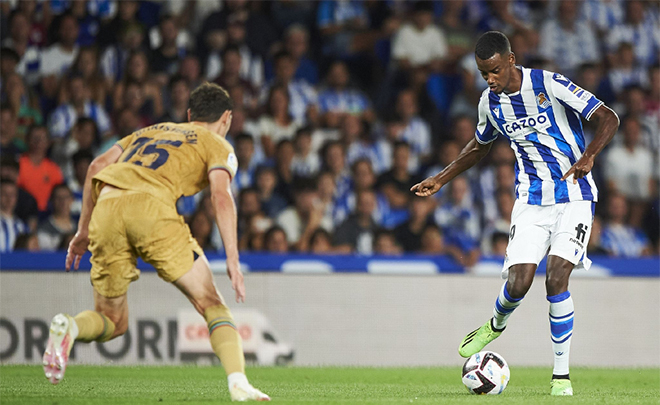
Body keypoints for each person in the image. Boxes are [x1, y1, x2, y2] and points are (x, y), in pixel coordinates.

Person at [411, 31, 619, 396]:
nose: (489, 79)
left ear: (510, 59)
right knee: (519, 283)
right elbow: (479, 146)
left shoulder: (548, 84)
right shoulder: (489, 103)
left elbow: (609, 117)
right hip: (531, 202)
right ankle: (496, 322)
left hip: (575, 195)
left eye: (493, 70)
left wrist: (589, 155)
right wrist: (441, 179)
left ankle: (560, 378)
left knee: (557, 278)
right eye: (482, 73)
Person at [43, 83, 269, 401]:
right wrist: (232, 257)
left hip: (106, 204)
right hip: (150, 208)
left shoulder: (149, 131)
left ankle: (70, 326)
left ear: (189, 115)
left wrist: (82, 232)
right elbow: (220, 194)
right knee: (212, 304)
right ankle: (238, 383)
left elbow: (96, 167)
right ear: (227, 118)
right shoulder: (218, 144)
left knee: (111, 320)